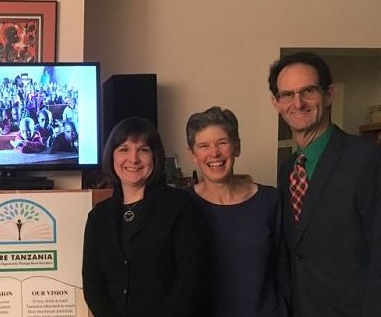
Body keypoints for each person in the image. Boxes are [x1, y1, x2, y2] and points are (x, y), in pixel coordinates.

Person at [268, 52, 381, 317]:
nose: (298, 103)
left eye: (308, 91)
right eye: (287, 94)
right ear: (276, 102)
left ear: (328, 94)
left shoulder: (367, 159)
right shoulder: (288, 169)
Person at [82, 117, 209, 317]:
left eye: (143, 150)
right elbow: (92, 283)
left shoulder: (179, 206)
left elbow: (191, 281)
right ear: (112, 156)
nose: (133, 159)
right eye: (124, 149)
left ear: (155, 156)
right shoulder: (99, 216)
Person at [186, 107, 288, 317]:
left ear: (237, 147)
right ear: (193, 155)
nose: (214, 153)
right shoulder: (182, 205)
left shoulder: (270, 201)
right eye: (203, 146)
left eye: (222, 142)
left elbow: (285, 270)